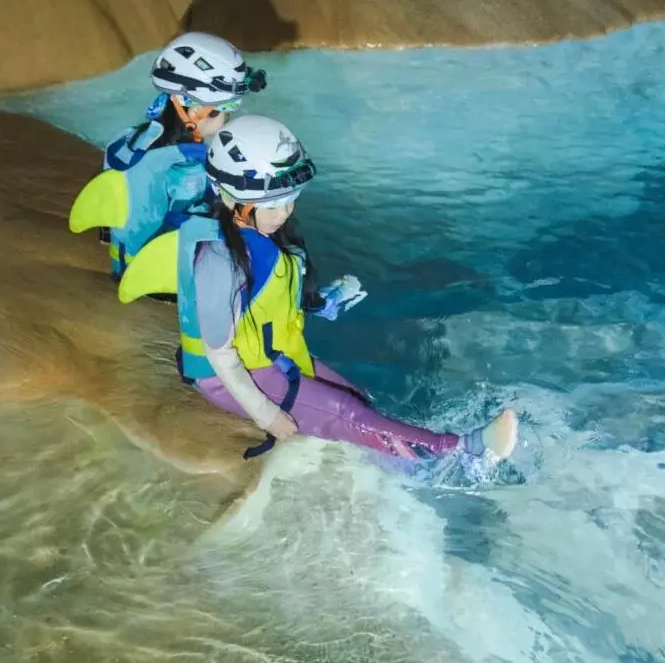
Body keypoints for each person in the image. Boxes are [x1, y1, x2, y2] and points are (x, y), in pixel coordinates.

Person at [117, 115, 519, 463]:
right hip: (231, 377)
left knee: (355, 396)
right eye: (274, 205)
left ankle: (401, 461)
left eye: (290, 201)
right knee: (347, 412)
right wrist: (265, 413)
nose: (285, 213)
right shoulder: (219, 261)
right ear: (233, 198)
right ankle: (465, 448)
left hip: (272, 356)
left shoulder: (259, 233)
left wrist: (323, 301)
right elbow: (219, 353)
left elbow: (268, 301)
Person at [70, 32, 267, 280]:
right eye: (225, 110)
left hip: (126, 258)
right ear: (195, 111)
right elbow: (198, 230)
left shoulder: (131, 139)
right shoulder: (189, 171)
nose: (228, 118)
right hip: (160, 278)